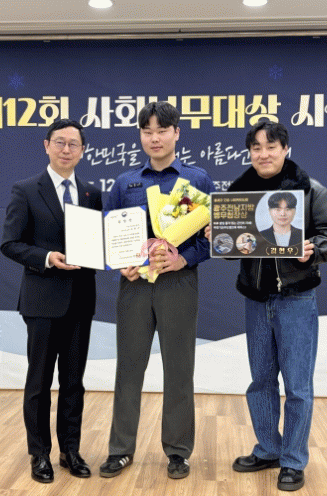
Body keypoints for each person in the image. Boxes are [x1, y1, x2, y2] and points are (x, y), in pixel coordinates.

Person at [206, 120, 327, 491]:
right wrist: (219, 238)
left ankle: (293, 460)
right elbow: (232, 252)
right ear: (249, 152)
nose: (263, 154)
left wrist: (314, 250)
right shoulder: (238, 194)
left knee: (297, 385)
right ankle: (268, 448)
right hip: (256, 299)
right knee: (261, 381)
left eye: (271, 147)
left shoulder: (311, 191)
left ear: (285, 149)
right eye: (256, 148)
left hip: (297, 299)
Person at [99, 101, 213, 480]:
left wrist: (185, 259)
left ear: (177, 133)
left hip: (178, 283)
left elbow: (213, 238)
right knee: (129, 368)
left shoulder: (197, 180)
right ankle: (120, 450)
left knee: (179, 369)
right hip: (134, 286)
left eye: (162, 130)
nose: (155, 138)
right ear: (140, 136)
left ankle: (178, 452)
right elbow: (109, 233)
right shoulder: (125, 183)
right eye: (147, 131)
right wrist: (120, 262)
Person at [0, 119, 102, 484]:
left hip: (80, 301)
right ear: (46, 145)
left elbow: (100, 242)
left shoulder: (91, 193)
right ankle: (39, 453)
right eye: (60, 142)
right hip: (42, 301)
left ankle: (70, 450)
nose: (66, 149)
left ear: (82, 151)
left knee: (74, 382)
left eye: (73, 144)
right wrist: (46, 257)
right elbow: (10, 243)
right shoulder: (26, 190)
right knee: (39, 383)